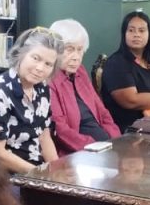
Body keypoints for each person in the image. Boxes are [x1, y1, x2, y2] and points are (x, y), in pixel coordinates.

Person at [0, 27, 65, 174]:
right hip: (2, 175)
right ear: (21, 54)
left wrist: (56, 172)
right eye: (35, 58)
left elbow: (44, 138)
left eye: (48, 64)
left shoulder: (42, 88)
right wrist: (40, 175)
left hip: (35, 170)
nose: (40, 68)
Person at [47, 18, 120, 154]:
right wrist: (95, 147)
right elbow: (60, 129)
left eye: (80, 50)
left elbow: (102, 111)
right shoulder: (49, 79)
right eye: (70, 49)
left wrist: (116, 140)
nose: (76, 57)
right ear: (55, 49)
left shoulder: (80, 71)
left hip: (104, 146)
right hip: (79, 152)